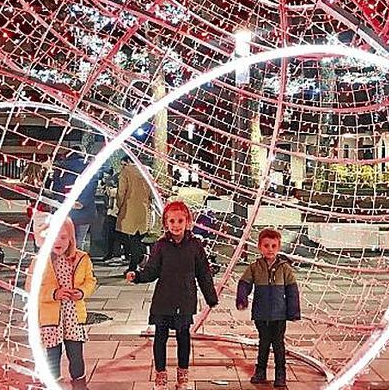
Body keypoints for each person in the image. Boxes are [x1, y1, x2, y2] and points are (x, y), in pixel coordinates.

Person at [125, 201, 218, 390]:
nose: (176, 225)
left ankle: (183, 377)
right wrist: (137, 276)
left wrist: (211, 296)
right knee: (161, 337)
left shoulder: (195, 245)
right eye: (172, 221)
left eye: (180, 221)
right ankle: (160, 376)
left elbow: (203, 272)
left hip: (185, 299)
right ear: (166, 223)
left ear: (187, 222)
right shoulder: (160, 246)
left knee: (184, 337)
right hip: (164, 299)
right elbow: (152, 270)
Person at [26, 217, 97, 390]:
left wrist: (81, 292)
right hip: (51, 318)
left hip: (73, 316)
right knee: (52, 355)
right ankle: (53, 384)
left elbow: (90, 281)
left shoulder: (82, 258)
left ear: (71, 238)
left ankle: (79, 385)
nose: (58, 241)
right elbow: (31, 287)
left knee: (76, 355)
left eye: (63, 237)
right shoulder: (39, 262)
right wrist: (54, 294)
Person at [236, 228, 300, 387]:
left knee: (278, 345)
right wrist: (242, 299)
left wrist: (293, 311)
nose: (270, 249)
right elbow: (244, 283)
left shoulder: (285, 268)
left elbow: (292, 290)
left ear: (278, 247)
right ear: (260, 247)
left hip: (279, 315)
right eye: (266, 246)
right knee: (264, 343)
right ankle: (260, 371)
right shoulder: (254, 267)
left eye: (273, 246)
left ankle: (280, 374)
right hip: (261, 314)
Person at [53, 147, 100, 251]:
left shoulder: (61, 166)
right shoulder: (89, 166)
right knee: (79, 240)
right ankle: (78, 263)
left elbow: (56, 189)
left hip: (66, 210)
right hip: (85, 210)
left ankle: (67, 263)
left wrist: (65, 201)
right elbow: (92, 186)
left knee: (66, 239)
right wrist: (82, 201)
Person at [116, 156, 152, 274]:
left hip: (128, 208)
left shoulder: (125, 172)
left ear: (128, 162)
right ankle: (140, 260)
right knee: (136, 237)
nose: (122, 166)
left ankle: (135, 265)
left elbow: (121, 192)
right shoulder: (146, 171)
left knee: (127, 237)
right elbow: (152, 191)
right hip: (143, 208)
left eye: (123, 163)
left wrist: (119, 206)